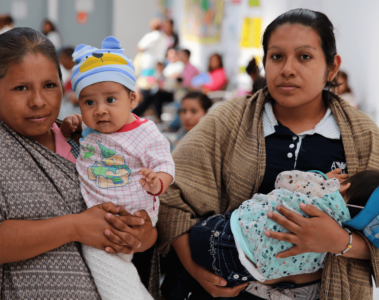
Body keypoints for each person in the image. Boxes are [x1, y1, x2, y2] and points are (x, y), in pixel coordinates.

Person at [159, 8, 379, 300]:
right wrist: (197, 269)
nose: (288, 68)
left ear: (332, 67)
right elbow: (171, 194)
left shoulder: (364, 136)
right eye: (276, 57)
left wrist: (341, 241)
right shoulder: (227, 120)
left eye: (304, 56)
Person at [0, 27, 159, 299]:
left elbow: (146, 226)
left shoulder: (88, 139)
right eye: (21, 88)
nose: (38, 101)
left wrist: (140, 236)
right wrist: (74, 227)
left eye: (50, 85)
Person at [60, 36, 175, 300]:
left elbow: (165, 163)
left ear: (132, 99)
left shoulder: (145, 133)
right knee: (112, 262)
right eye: (89, 103)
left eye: (110, 100)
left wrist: (158, 181)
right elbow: (81, 129)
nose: (100, 111)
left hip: (134, 215)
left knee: (105, 263)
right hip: (104, 217)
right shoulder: (90, 129)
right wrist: (74, 122)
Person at [189, 168, 379, 291]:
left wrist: (321, 179)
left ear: (344, 187)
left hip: (226, 233)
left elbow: (283, 180)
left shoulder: (322, 191)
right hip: (244, 271)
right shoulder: (336, 238)